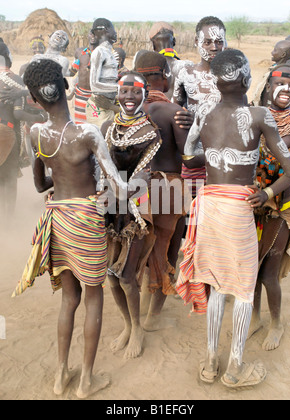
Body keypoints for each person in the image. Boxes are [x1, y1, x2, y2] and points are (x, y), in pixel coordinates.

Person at [12, 58, 145, 398]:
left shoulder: (37, 134)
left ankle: (60, 376)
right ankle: (86, 380)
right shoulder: (87, 133)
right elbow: (116, 186)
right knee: (93, 298)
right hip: (86, 221)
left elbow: (41, 185)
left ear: (33, 98)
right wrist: (144, 181)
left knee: (68, 299)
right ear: (67, 87)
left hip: (58, 218)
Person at [176, 49, 290, 388]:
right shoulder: (260, 115)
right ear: (247, 79)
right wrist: (269, 194)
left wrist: (216, 156)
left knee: (217, 284)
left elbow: (188, 158)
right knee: (244, 289)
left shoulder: (203, 111)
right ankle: (235, 368)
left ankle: (210, 362)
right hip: (238, 208)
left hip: (209, 206)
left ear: (215, 82)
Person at [134, 51, 202, 331]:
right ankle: (153, 315)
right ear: (165, 75)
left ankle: (138, 305)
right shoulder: (174, 112)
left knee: (140, 248)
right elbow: (189, 159)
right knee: (167, 251)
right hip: (170, 188)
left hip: (136, 187)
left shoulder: (129, 111)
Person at [100, 71, 161, 358]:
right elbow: (98, 166)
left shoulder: (151, 131)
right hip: (110, 209)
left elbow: (146, 174)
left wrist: (127, 190)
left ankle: (137, 328)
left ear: (144, 94)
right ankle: (127, 325)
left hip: (137, 211)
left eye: (135, 92)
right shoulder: (106, 128)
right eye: (124, 91)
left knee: (126, 276)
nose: (129, 97)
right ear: (117, 94)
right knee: (110, 275)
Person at [250, 64, 290, 351]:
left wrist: (268, 192)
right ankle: (255, 318)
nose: (287, 91)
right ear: (268, 86)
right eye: (281, 85)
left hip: (281, 206)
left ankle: (277, 324)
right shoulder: (254, 117)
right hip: (251, 204)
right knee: (250, 269)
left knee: (269, 272)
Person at [172, 16, 226, 197]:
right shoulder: (186, 74)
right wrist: (182, 116)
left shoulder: (232, 76)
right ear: (196, 41)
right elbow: (174, 110)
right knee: (192, 209)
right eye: (208, 42)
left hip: (226, 158)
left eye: (219, 41)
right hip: (193, 155)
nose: (214, 47)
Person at [0, 42, 45, 224]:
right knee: (9, 179)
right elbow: (18, 113)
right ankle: (8, 221)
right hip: (7, 132)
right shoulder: (15, 81)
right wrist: (41, 115)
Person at [86, 18, 119, 128]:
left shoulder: (108, 52)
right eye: (113, 29)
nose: (115, 33)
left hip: (109, 105)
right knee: (102, 141)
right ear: (106, 30)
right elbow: (94, 85)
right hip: (99, 107)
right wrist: (119, 89)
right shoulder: (99, 52)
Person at [149, 21, 191, 100]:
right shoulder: (187, 66)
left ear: (153, 45)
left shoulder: (147, 67)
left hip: (156, 111)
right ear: (174, 41)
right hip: (181, 111)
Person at [251, 39, 290, 108]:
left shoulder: (285, 73)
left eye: (275, 50)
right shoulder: (276, 67)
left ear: (283, 54)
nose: (272, 53)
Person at [67, 30, 99, 124]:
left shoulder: (102, 54)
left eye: (96, 34)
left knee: (94, 124)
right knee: (80, 125)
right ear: (88, 36)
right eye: (91, 34)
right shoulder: (80, 52)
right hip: (80, 94)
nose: (93, 36)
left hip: (95, 95)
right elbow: (72, 72)